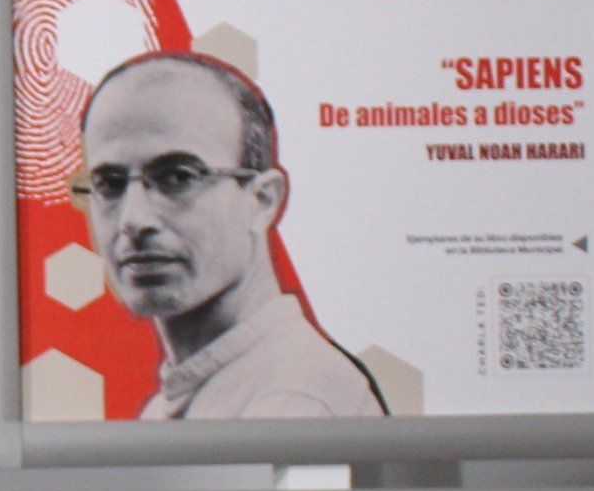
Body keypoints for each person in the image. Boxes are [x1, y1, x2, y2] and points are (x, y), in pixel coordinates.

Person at [75, 51, 386, 420]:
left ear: (262, 201)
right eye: (109, 184)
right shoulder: (193, 397)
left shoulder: (294, 399)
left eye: (178, 177)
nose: (134, 219)